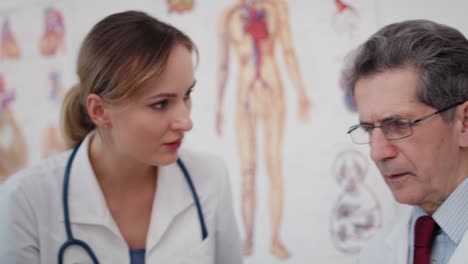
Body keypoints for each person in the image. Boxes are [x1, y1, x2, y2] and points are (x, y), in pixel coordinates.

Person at [0, 10, 242, 264]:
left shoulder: (210, 178)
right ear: (100, 111)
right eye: (161, 104)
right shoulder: (24, 201)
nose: (186, 121)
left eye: (187, 95)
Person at [343, 19, 468, 264]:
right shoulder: (375, 252)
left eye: (399, 124)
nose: (378, 153)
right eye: (369, 129)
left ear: (464, 123)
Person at [216, 0, 311, 259]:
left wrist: (301, 92)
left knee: (273, 166)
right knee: (248, 170)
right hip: (244, 97)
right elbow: (224, 63)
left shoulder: (277, 8)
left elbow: (289, 51)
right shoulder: (228, 16)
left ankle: (274, 239)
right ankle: (247, 238)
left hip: (272, 92)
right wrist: (218, 107)